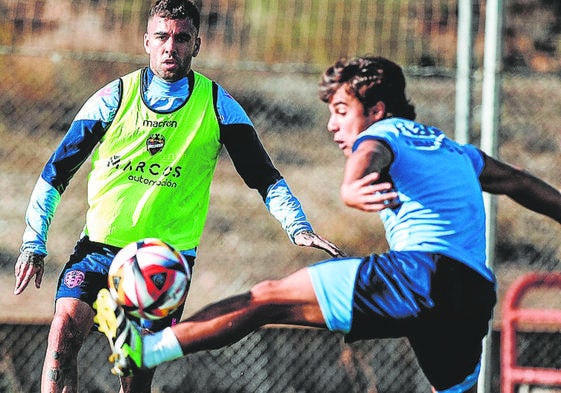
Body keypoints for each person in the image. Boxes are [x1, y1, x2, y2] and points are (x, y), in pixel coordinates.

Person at [94, 55, 561, 393]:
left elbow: (370, 153)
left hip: (421, 275)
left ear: (376, 109)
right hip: (474, 296)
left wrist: (351, 187)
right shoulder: (452, 149)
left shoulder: (382, 132)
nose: (333, 126)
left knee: (266, 300)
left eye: (341, 111)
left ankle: (145, 349)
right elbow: (519, 182)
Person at [13, 1, 343, 392]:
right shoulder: (113, 98)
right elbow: (55, 172)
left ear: (196, 45)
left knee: (133, 375)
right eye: (162, 37)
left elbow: (264, 177)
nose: (171, 47)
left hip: (164, 263)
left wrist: (297, 225)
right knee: (62, 334)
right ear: (146, 42)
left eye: (182, 38)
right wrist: (34, 243)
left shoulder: (219, 106)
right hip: (98, 249)